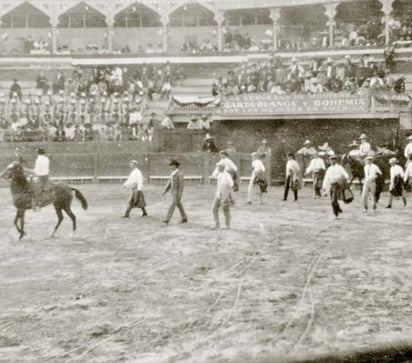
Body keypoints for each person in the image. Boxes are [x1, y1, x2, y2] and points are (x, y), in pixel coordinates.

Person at [162, 159, 188, 225]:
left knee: (173, 205)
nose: (170, 167)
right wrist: (165, 190)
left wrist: (179, 194)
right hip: (173, 192)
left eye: (171, 166)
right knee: (179, 205)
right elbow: (170, 183)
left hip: (177, 193)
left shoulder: (180, 173)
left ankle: (167, 219)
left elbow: (181, 185)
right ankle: (184, 218)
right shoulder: (173, 173)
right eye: (170, 166)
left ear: (175, 166)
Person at [211, 161, 233, 230]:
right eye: (218, 167)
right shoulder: (219, 175)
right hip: (218, 193)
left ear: (222, 168)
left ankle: (227, 225)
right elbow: (213, 175)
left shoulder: (227, 175)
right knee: (214, 208)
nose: (218, 168)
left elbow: (231, 184)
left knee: (225, 209)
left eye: (219, 167)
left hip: (225, 193)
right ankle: (216, 224)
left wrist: (226, 192)